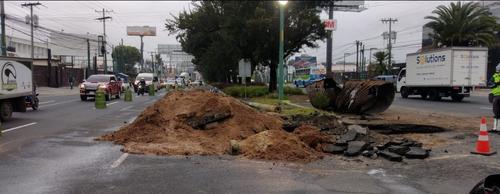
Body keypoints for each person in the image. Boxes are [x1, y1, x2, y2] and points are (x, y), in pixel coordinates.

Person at [491, 64, 500, 133]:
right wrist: (495, 84)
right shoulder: (495, 76)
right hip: (496, 96)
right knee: (495, 112)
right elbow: (490, 84)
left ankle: (499, 129)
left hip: (497, 96)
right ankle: (495, 128)